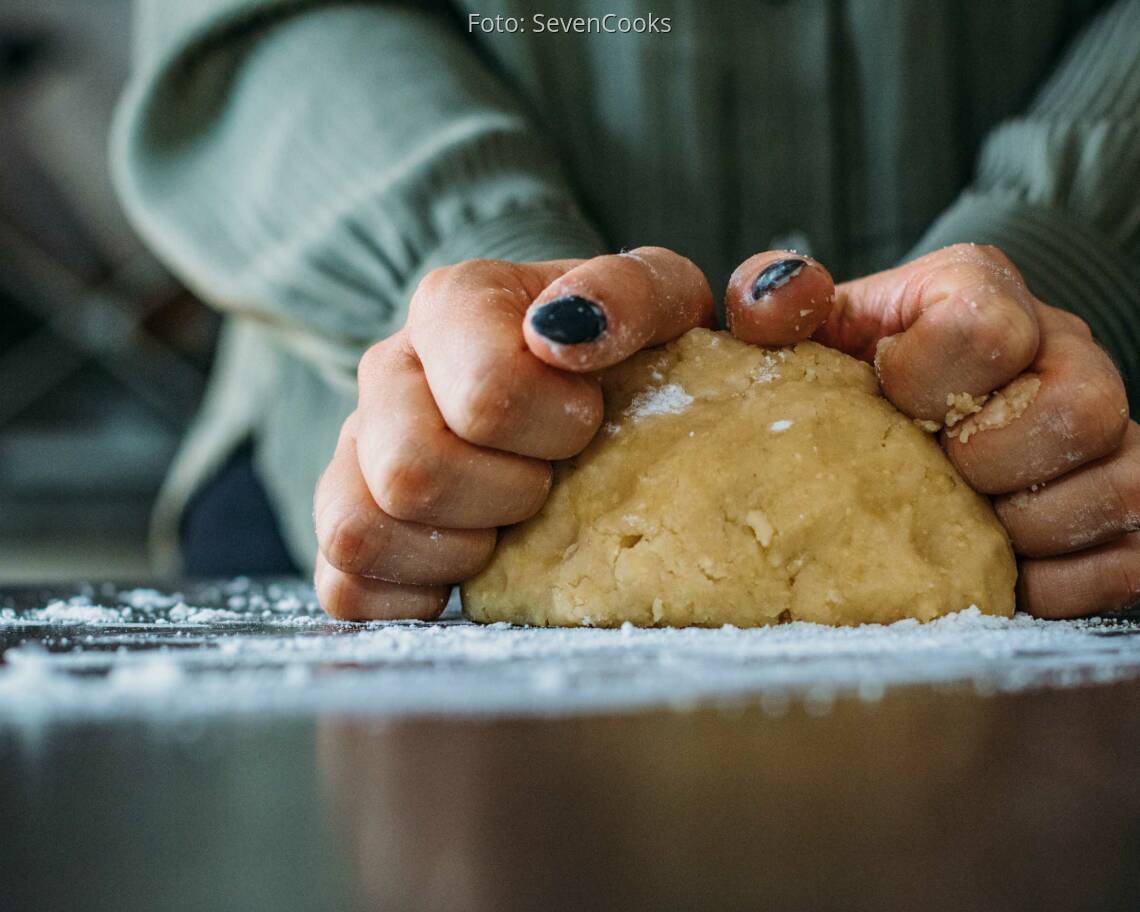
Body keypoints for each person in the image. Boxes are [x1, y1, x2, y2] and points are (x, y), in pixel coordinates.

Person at [113, 0, 1140, 620]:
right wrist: (486, 291)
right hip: (413, 476)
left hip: (1080, 477)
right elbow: (251, 29)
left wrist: (1072, 247)